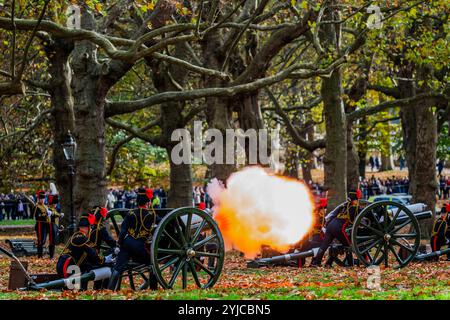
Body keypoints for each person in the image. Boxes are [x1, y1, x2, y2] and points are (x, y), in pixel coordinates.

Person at [108, 187, 158, 290]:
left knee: (118, 267)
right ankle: (154, 289)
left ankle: (110, 289)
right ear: (148, 202)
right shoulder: (151, 215)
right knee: (153, 265)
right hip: (140, 247)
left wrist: (119, 244)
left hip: (127, 244)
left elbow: (123, 231)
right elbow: (162, 223)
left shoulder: (130, 213)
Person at [56, 213, 114, 290]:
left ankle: (86, 288)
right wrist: (105, 259)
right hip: (68, 267)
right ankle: (100, 288)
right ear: (88, 227)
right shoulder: (82, 238)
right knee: (72, 291)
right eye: (90, 227)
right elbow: (92, 253)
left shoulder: (75, 235)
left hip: (65, 265)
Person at [311, 189, 363, 267]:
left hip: (330, 225)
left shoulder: (344, 205)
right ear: (354, 199)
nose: (357, 201)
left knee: (324, 245)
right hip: (338, 228)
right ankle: (350, 264)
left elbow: (334, 213)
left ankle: (316, 263)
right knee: (348, 245)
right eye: (356, 200)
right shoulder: (356, 208)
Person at [33, 190, 50, 258]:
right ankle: (40, 255)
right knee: (40, 240)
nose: (42, 200)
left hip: (46, 225)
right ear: (38, 199)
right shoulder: (36, 206)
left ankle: (42, 253)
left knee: (44, 240)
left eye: (43, 198)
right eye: (41, 199)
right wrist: (45, 215)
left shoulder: (45, 206)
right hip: (40, 225)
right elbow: (37, 216)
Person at [47, 194, 63, 258]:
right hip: (51, 225)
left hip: (55, 226)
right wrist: (59, 215)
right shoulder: (49, 209)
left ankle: (52, 254)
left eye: (55, 203)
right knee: (51, 241)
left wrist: (58, 226)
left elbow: (57, 218)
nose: (55, 204)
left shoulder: (55, 209)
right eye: (54, 203)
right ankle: (51, 255)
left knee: (54, 240)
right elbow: (53, 215)